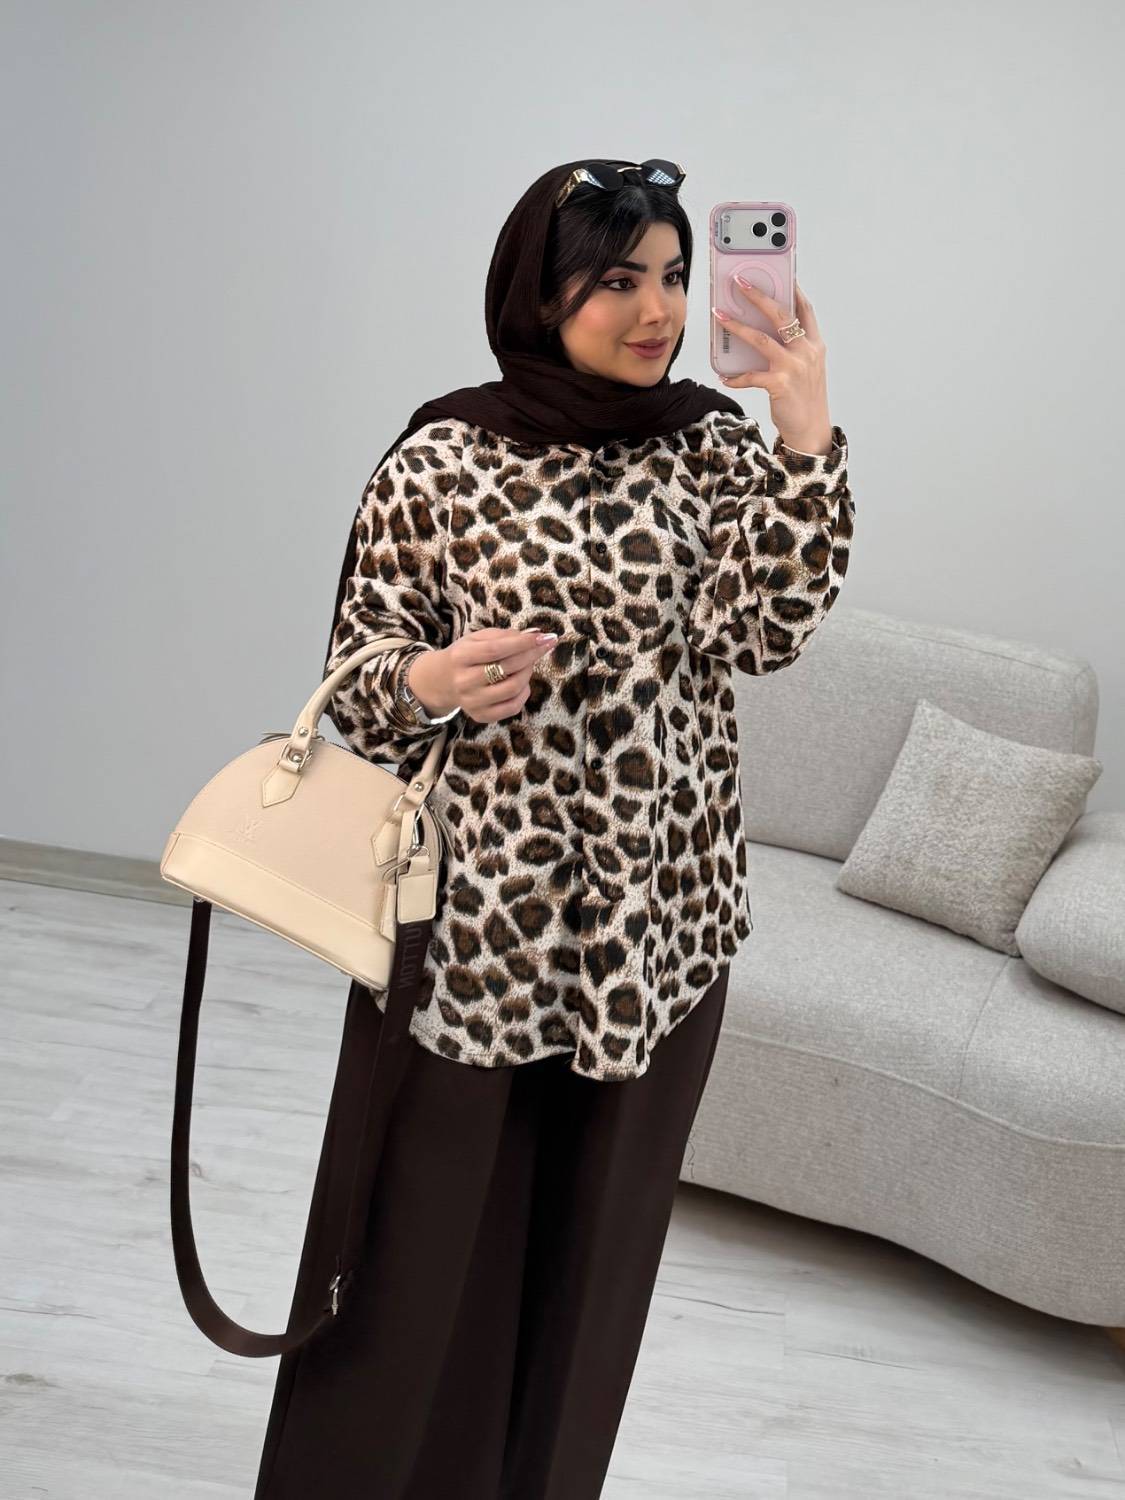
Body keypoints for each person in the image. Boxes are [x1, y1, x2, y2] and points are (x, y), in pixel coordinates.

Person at [253, 156, 854, 1499]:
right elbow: (359, 677)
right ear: (542, 290)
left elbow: (764, 632)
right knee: (404, 1272)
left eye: (673, 276)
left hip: (659, 939)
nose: (657, 309)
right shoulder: (442, 457)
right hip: (471, 943)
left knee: (589, 1289)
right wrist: (431, 680)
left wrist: (803, 435)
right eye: (617, 278)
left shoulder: (713, 448)